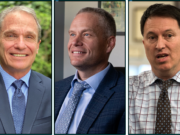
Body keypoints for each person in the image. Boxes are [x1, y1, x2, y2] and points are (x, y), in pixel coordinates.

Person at [55, 7, 125, 134]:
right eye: (72, 34)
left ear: (109, 44)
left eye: (86, 34)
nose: (75, 42)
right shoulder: (55, 89)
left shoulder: (127, 94)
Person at [129, 4, 180, 134]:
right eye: (152, 37)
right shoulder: (128, 89)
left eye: (168, 35)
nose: (159, 45)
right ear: (144, 44)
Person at [0, 6, 51, 134]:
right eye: (11, 35)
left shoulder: (53, 90)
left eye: (29, 37)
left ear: (37, 46)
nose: (21, 45)